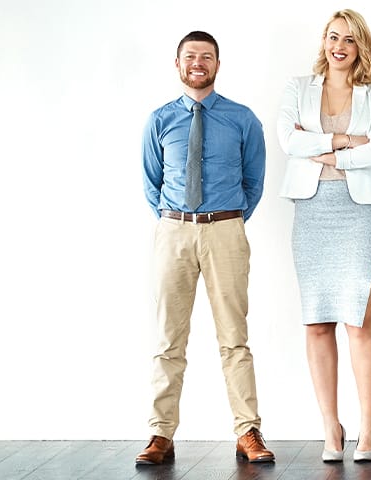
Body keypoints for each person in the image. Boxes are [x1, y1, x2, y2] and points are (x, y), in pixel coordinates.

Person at [139, 31, 274, 465]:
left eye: (207, 56)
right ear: (177, 64)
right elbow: (151, 182)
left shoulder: (242, 119)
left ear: (218, 64)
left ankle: (247, 431)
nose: (198, 63)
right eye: (190, 56)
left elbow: (254, 182)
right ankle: (160, 435)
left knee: (235, 338)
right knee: (168, 340)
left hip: (225, 231)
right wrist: (178, 219)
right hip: (173, 231)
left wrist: (226, 220)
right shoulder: (160, 120)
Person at [276, 9, 371, 463]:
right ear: (324, 42)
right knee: (317, 322)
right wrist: (346, 142)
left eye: (349, 39)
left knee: (360, 324)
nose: (338, 45)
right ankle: (330, 426)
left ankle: (368, 425)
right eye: (332, 36)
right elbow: (288, 140)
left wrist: (321, 149)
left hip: (359, 214)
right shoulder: (296, 88)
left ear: (361, 47)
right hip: (312, 212)